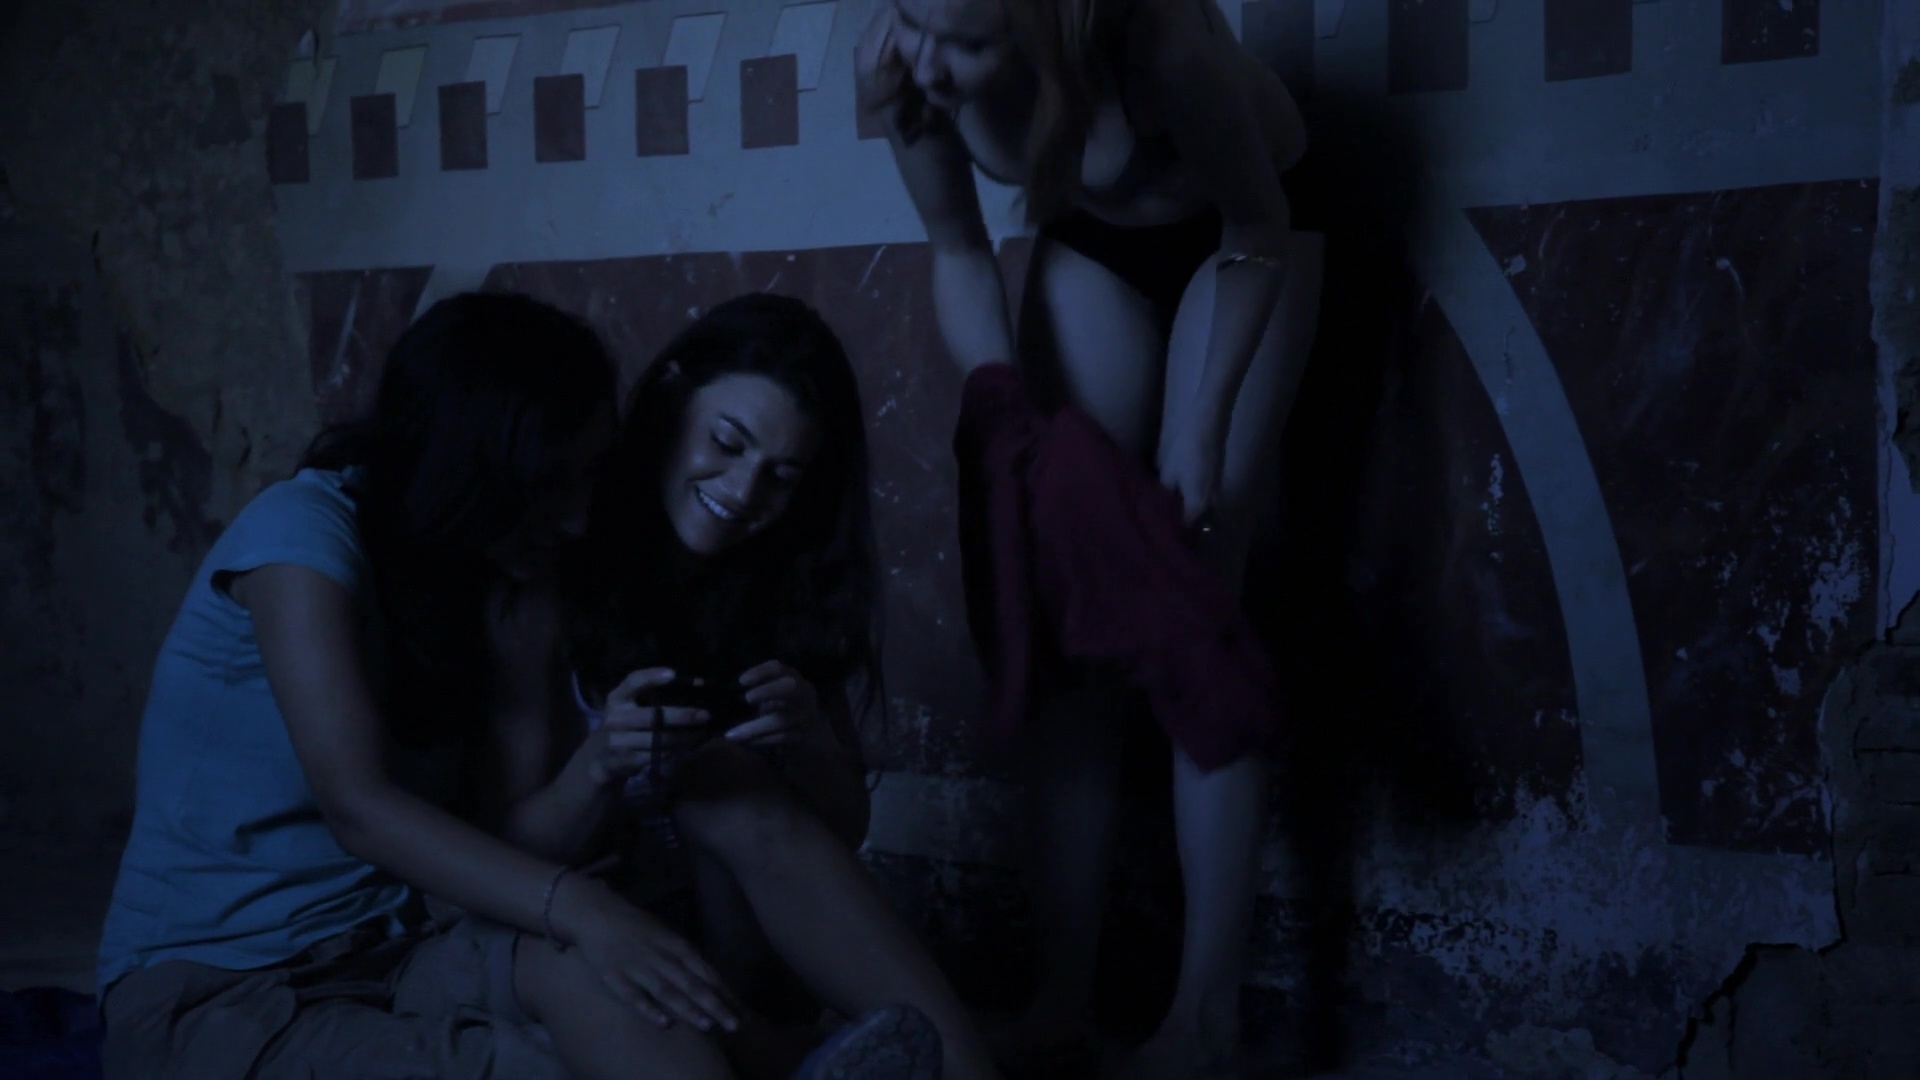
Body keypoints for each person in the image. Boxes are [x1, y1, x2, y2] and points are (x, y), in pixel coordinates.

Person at [92, 291, 928, 1080]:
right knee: (556, 1047)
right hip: (220, 989)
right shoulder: (298, 537)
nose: (578, 517)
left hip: (403, 949)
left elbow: (511, 831)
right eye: (554, 483)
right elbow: (358, 806)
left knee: (626, 986)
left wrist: (593, 910)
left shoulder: (477, 577)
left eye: (588, 479)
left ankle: (815, 1058)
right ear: (474, 468)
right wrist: (585, 905)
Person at [856, 0, 1327, 1076]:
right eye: (917, 22)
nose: (930, 63)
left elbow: (1257, 223)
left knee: (1191, 602)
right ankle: (1060, 998)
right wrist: (1000, 404)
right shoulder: (896, 59)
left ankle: (1204, 1023)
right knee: (1068, 607)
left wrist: (1202, 429)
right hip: (1092, 246)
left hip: (1247, 241)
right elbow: (957, 247)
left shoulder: (1156, 44)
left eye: (967, 43)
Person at [488, 292, 1005, 1080]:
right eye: (726, 443)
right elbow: (502, 848)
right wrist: (601, 763)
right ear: (671, 399)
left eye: (781, 477)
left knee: (724, 784)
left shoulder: (781, 579)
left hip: (734, 932)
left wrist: (810, 741)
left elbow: (841, 828)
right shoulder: (558, 554)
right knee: (713, 782)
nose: (741, 490)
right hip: (583, 922)